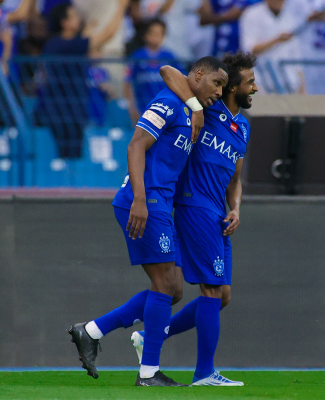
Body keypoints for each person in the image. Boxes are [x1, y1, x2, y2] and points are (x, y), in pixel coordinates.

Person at [68, 56, 228, 387]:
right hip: (144, 202)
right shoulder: (169, 101)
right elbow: (136, 145)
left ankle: (92, 331)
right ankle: (148, 373)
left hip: (160, 204)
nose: (219, 91)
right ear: (198, 75)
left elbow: (175, 76)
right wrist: (140, 199)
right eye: (216, 83)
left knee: (174, 290)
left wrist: (197, 105)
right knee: (166, 286)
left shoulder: (190, 106)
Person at [127, 52, 257, 386]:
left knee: (220, 295)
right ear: (230, 87)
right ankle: (204, 374)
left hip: (218, 214)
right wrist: (197, 106)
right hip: (194, 206)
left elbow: (235, 178)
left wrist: (236, 208)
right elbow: (168, 70)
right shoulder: (206, 106)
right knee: (209, 290)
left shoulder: (242, 127)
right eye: (250, 82)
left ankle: (151, 336)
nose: (255, 88)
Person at [39, 0, 128, 159]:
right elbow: (106, 35)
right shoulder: (63, 44)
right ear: (64, 23)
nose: (78, 19)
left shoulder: (55, 44)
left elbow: (89, 47)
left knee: (71, 156)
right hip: (64, 111)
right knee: (67, 156)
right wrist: (121, 7)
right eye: (73, 17)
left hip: (68, 109)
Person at [240, 0, 305, 93]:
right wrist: (276, 40)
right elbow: (249, 49)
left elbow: (296, 56)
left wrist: (302, 83)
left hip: (289, 81)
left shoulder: (290, 17)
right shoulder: (252, 14)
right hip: (260, 80)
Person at [124, 18, 179, 124]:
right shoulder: (136, 57)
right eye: (152, 33)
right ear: (145, 35)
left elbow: (180, 82)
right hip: (143, 109)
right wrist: (132, 108)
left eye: (159, 34)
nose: (155, 37)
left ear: (164, 36)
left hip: (166, 110)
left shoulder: (170, 57)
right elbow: (128, 83)